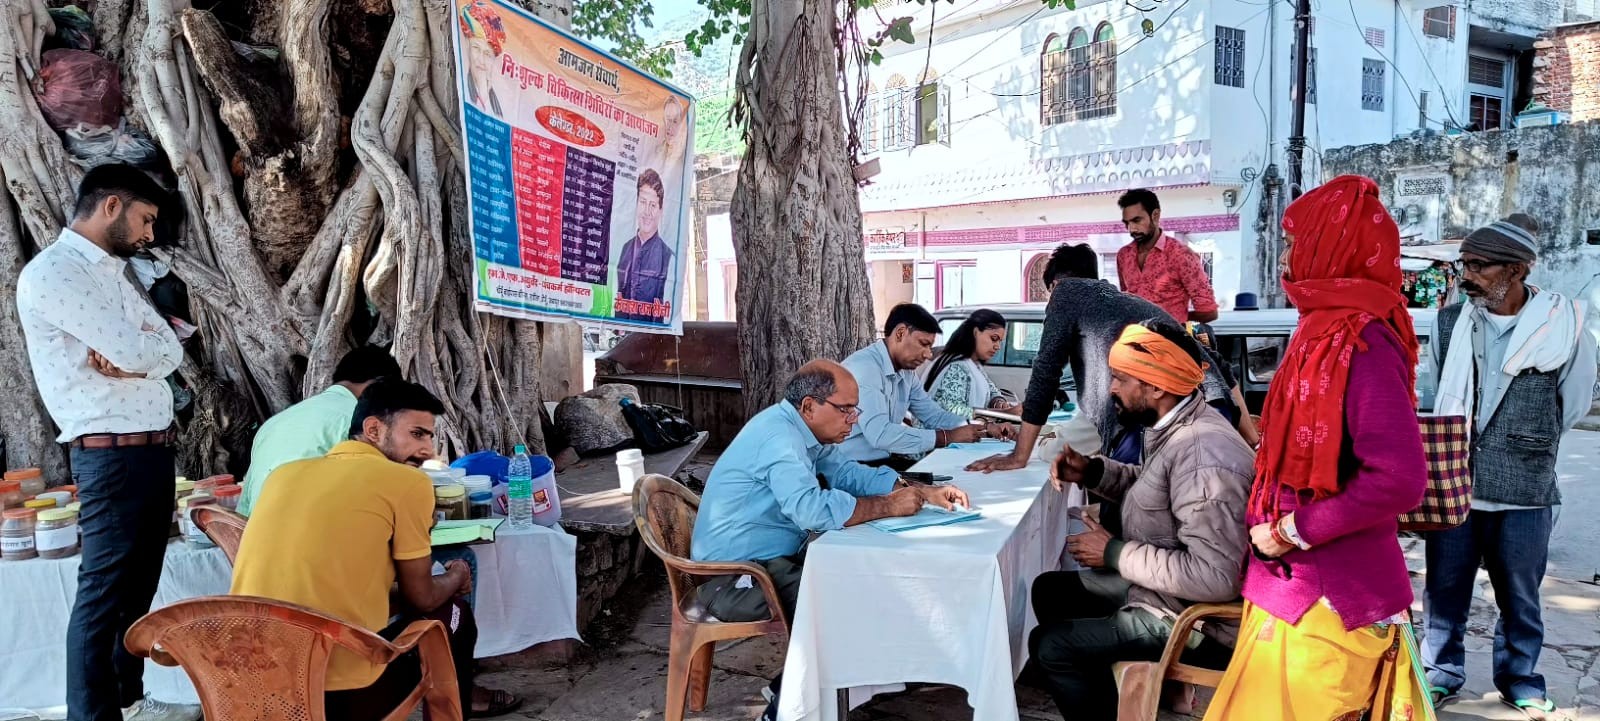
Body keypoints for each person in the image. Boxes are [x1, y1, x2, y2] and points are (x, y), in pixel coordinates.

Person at [1202, 175, 1430, 721]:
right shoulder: (1321, 330)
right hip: (1292, 590)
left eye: (1296, 242)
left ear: (1331, 247)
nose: (1287, 256)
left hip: (1330, 599)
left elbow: (1398, 478)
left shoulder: (1365, 342)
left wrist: (1290, 531)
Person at [691, 360, 971, 721]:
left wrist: (919, 491)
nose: (853, 419)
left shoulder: (805, 431)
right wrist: (887, 506)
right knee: (839, 604)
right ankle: (787, 708)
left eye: (855, 409)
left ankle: (802, 692)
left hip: (771, 558)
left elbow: (846, 473)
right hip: (732, 578)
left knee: (866, 584)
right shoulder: (780, 438)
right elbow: (811, 510)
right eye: (846, 409)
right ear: (809, 406)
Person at [16, 164, 195, 721]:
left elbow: (169, 349)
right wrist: (144, 351)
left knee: (135, 590)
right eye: (145, 219)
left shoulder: (112, 273)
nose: (148, 234)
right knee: (103, 597)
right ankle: (91, 716)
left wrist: (145, 351)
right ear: (112, 206)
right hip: (109, 453)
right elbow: (147, 352)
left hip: (147, 449)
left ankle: (129, 701)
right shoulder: (54, 273)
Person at [230, 379, 521, 720]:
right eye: (417, 434)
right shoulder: (407, 483)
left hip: (248, 684)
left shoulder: (283, 475)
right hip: (335, 693)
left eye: (430, 436)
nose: (428, 450)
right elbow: (423, 598)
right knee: (453, 617)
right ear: (372, 429)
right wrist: (457, 575)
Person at [1028, 319, 1252, 721]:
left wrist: (1114, 552)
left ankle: (1114, 690)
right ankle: (1115, 693)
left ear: (1156, 386)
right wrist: (1094, 473)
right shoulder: (1176, 426)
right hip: (1168, 597)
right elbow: (1154, 490)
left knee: (1051, 647)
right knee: (1050, 591)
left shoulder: (1205, 455)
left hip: (1196, 624)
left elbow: (1215, 577)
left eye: (1120, 378)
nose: (1111, 388)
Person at [1421, 215, 1596, 719]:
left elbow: (1576, 402)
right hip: (1455, 482)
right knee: (1444, 587)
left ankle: (1521, 678)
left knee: (1519, 593)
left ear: (1516, 270)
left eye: (1479, 266)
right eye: (1464, 265)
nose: (1466, 275)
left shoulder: (1566, 324)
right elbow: (1438, 392)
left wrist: (1526, 438)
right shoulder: (1452, 321)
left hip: (1526, 486)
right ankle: (1441, 671)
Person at [968, 244, 1234, 473]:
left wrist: (1019, 455)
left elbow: (1045, 373)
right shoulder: (1130, 303)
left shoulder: (1066, 293)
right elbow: (1214, 365)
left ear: (1055, 285)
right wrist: (1246, 440)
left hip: (1143, 420)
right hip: (1204, 413)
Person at [839, 303, 1007, 470]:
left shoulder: (906, 373)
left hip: (881, 462)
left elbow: (934, 415)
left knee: (953, 482)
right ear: (901, 333)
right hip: (848, 468)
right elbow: (881, 435)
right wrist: (946, 437)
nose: (928, 354)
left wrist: (984, 428)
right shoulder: (866, 369)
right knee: (937, 490)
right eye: (923, 344)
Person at [238, 346, 402, 517]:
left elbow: (244, 510)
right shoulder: (361, 422)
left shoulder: (272, 424)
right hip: (316, 537)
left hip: (256, 537)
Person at [1115, 189, 1219, 324]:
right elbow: (1126, 300)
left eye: (1137, 220)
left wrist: (1175, 319)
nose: (1131, 229)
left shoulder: (1181, 255)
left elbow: (1209, 311)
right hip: (1133, 339)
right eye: (1127, 223)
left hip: (1170, 340)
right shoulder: (1124, 255)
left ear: (1155, 215)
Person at [920, 308, 1021, 419]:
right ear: (975, 332)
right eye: (994, 339)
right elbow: (952, 411)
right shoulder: (955, 367)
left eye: (999, 341)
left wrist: (999, 402)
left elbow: (991, 389)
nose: (997, 346)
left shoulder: (973, 365)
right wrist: (1005, 413)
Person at [615, 169, 674, 322]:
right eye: (643, 202)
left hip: (652, 340)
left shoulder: (668, 257)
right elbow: (619, 297)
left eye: (653, 205)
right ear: (636, 204)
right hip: (623, 337)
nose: (647, 212)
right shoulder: (625, 249)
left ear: (660, 210)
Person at [460, 0, 508, 117]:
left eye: (487, 54)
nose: (480, 60)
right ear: (467, 46)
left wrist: (484, 90)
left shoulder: (502, 102)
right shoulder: (460, 84)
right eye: (476, 48)